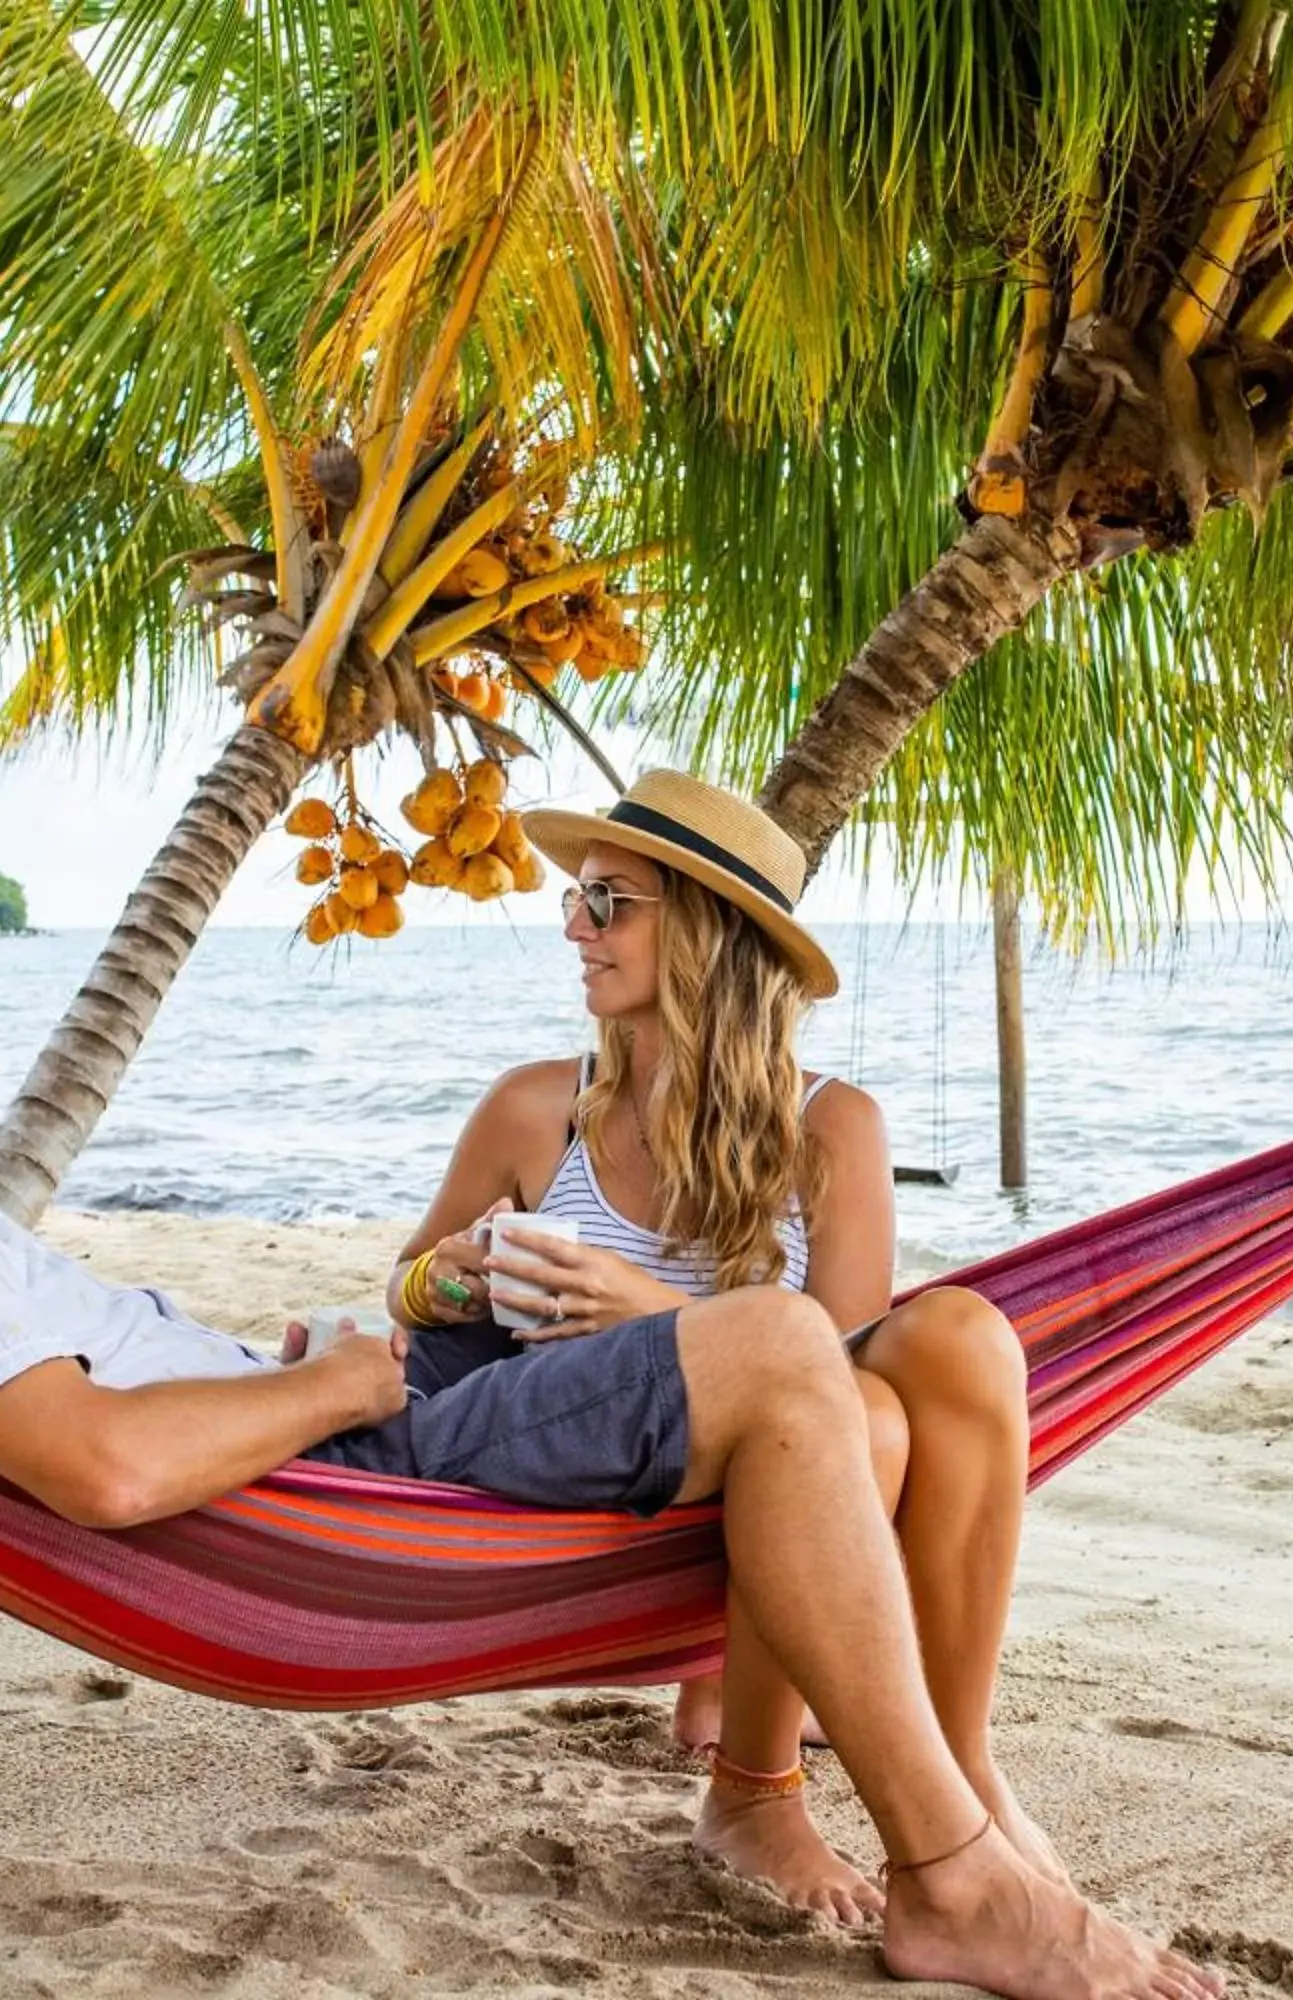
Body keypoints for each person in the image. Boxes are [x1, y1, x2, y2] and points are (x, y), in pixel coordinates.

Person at [0, 871, 1217, 2000]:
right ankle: (947, 1868)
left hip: (320, 1425)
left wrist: (322, 1356)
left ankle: (892, 1802)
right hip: (336, 1464)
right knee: (786, 1346)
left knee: (910, 1348)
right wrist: (336, 1384)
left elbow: (116, 1411)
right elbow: (110, 1468)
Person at [391, 769, 1055, 1923]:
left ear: (704, 931)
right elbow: (404, 1294)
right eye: (578, 900)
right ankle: (755, 1787)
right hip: (596, 1465)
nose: (572, 927)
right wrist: (451, 1275)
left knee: (962, 1334)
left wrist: (644, 1302)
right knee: (872, 1414)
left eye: (608, 903)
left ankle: (963, 1756)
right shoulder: (535, 1108)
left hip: (790, 1492)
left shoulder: (833, 1127)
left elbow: (840, 1361)